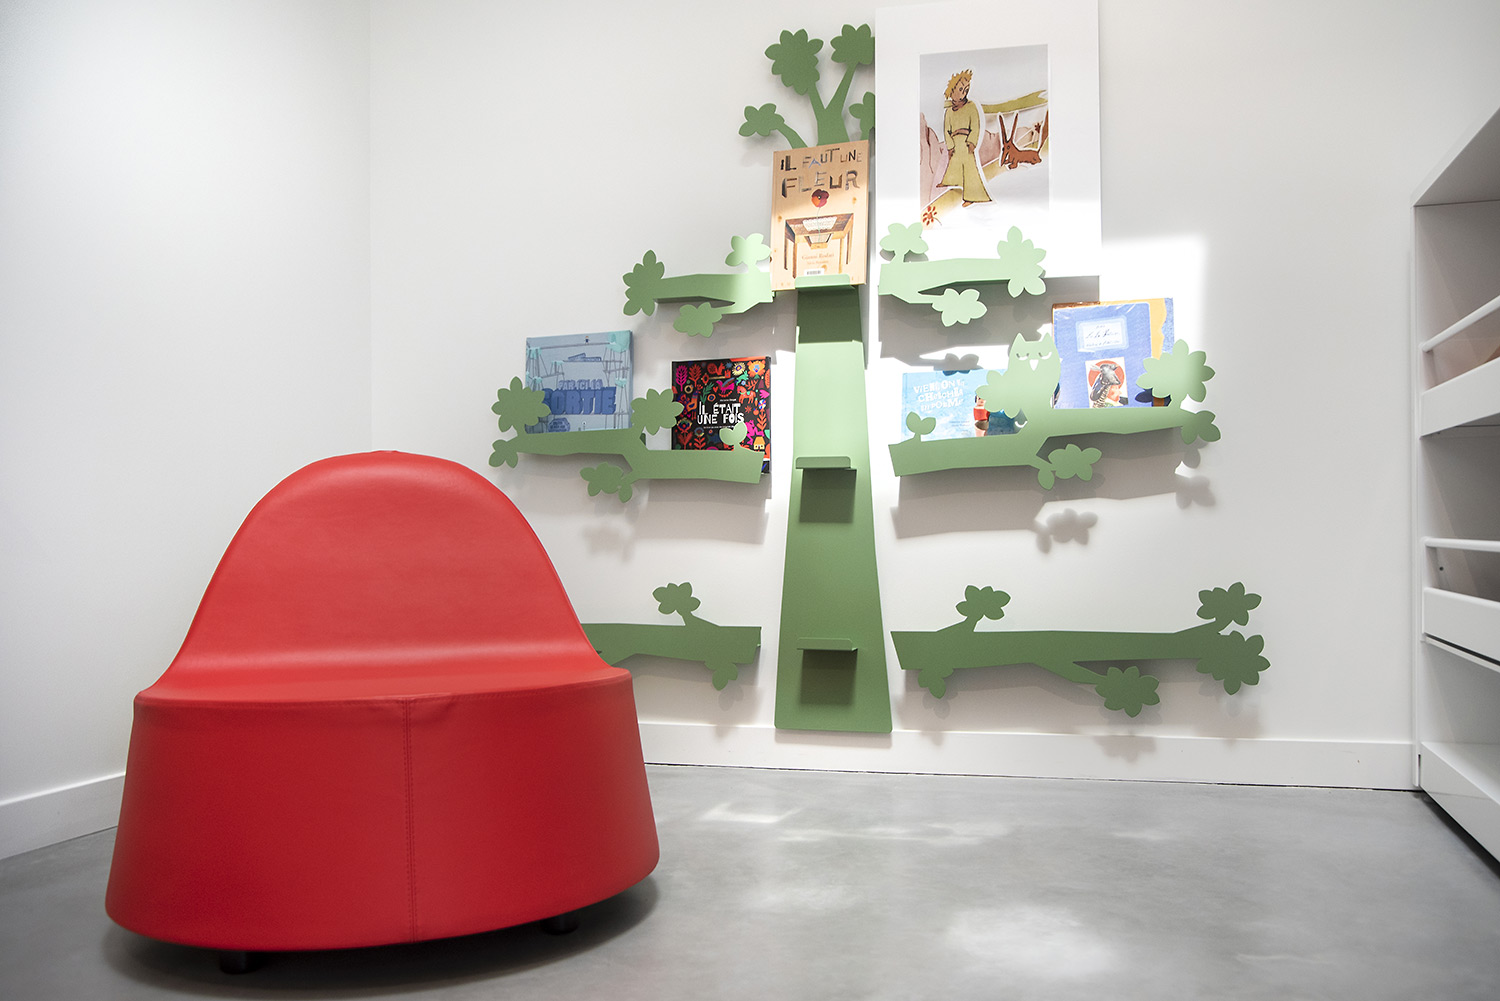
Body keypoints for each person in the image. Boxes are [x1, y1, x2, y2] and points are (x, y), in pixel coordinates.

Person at [939, 70, 991, 207]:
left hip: (966, 143)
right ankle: (951, 181)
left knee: (969, 168)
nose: (964, 93)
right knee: (955, 163)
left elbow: (975, 126)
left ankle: (973, 195)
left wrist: (972, 142)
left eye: (966, 90)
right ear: (952, 91)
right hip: (956, 143)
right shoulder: (949, 111)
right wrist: (950, 146)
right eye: (961, 89)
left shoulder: (971, 107)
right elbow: (946, 130)